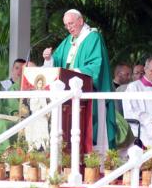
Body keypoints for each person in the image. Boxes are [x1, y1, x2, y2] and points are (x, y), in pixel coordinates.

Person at [42, 9, 116, 149]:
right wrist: (49, 58)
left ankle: (93, 162)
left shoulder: (93, 37)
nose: (68, 27)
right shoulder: (68, 41)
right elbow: (57, 61)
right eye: (66, 25)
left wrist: (73, 72)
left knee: (87, 132)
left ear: (81, 21)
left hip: (90, 94)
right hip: (68, 96)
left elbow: (95, 65)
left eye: (71, 23)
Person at [26, 74, 50, 150]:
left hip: (42, 115)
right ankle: (32, 147)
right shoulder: (34, 93)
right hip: (35, 114)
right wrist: (37, 105)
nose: (40, 84)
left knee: (42, 127)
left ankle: (42, 148)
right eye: (39, 83)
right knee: (30, 127)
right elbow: (32, 107)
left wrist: (46, 112)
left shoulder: (43, 94)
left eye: (42, 83)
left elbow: (45, 106)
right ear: (36, 84)